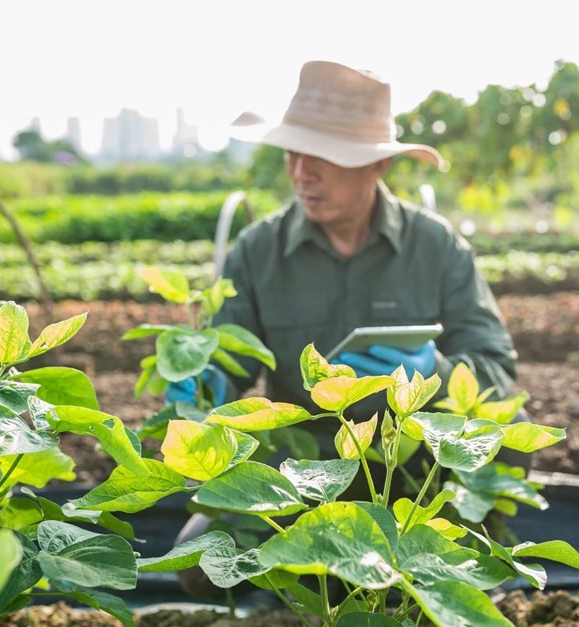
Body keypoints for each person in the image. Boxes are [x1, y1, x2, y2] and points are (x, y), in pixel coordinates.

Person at [169, 59, 529, 598]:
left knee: (514, 432)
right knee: (200, 561)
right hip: (299, 476)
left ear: (376, 167)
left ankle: (447, 560)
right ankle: (312, 579)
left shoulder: (435, 247)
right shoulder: (259, 251)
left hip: (412, 478)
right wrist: (203, 380)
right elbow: (231, 360)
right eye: (292, 153)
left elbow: (496, 371)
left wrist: (435, 371)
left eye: (322, 158)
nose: (300, 173)